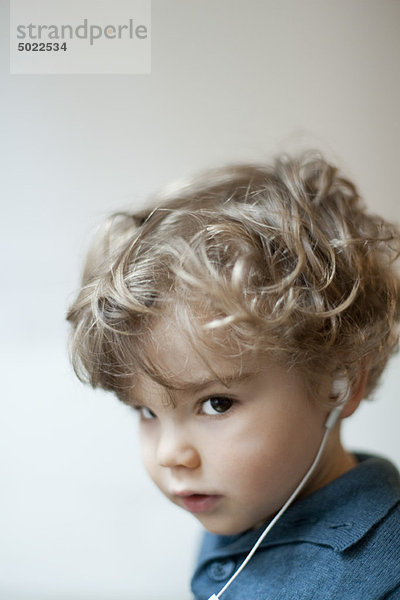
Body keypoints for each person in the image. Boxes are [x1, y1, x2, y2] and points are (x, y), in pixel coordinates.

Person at [67, 152, 400, 599]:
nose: (170, 454)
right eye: (145, 410)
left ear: (340, 384)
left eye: (216, 403)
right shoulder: (246, 504)